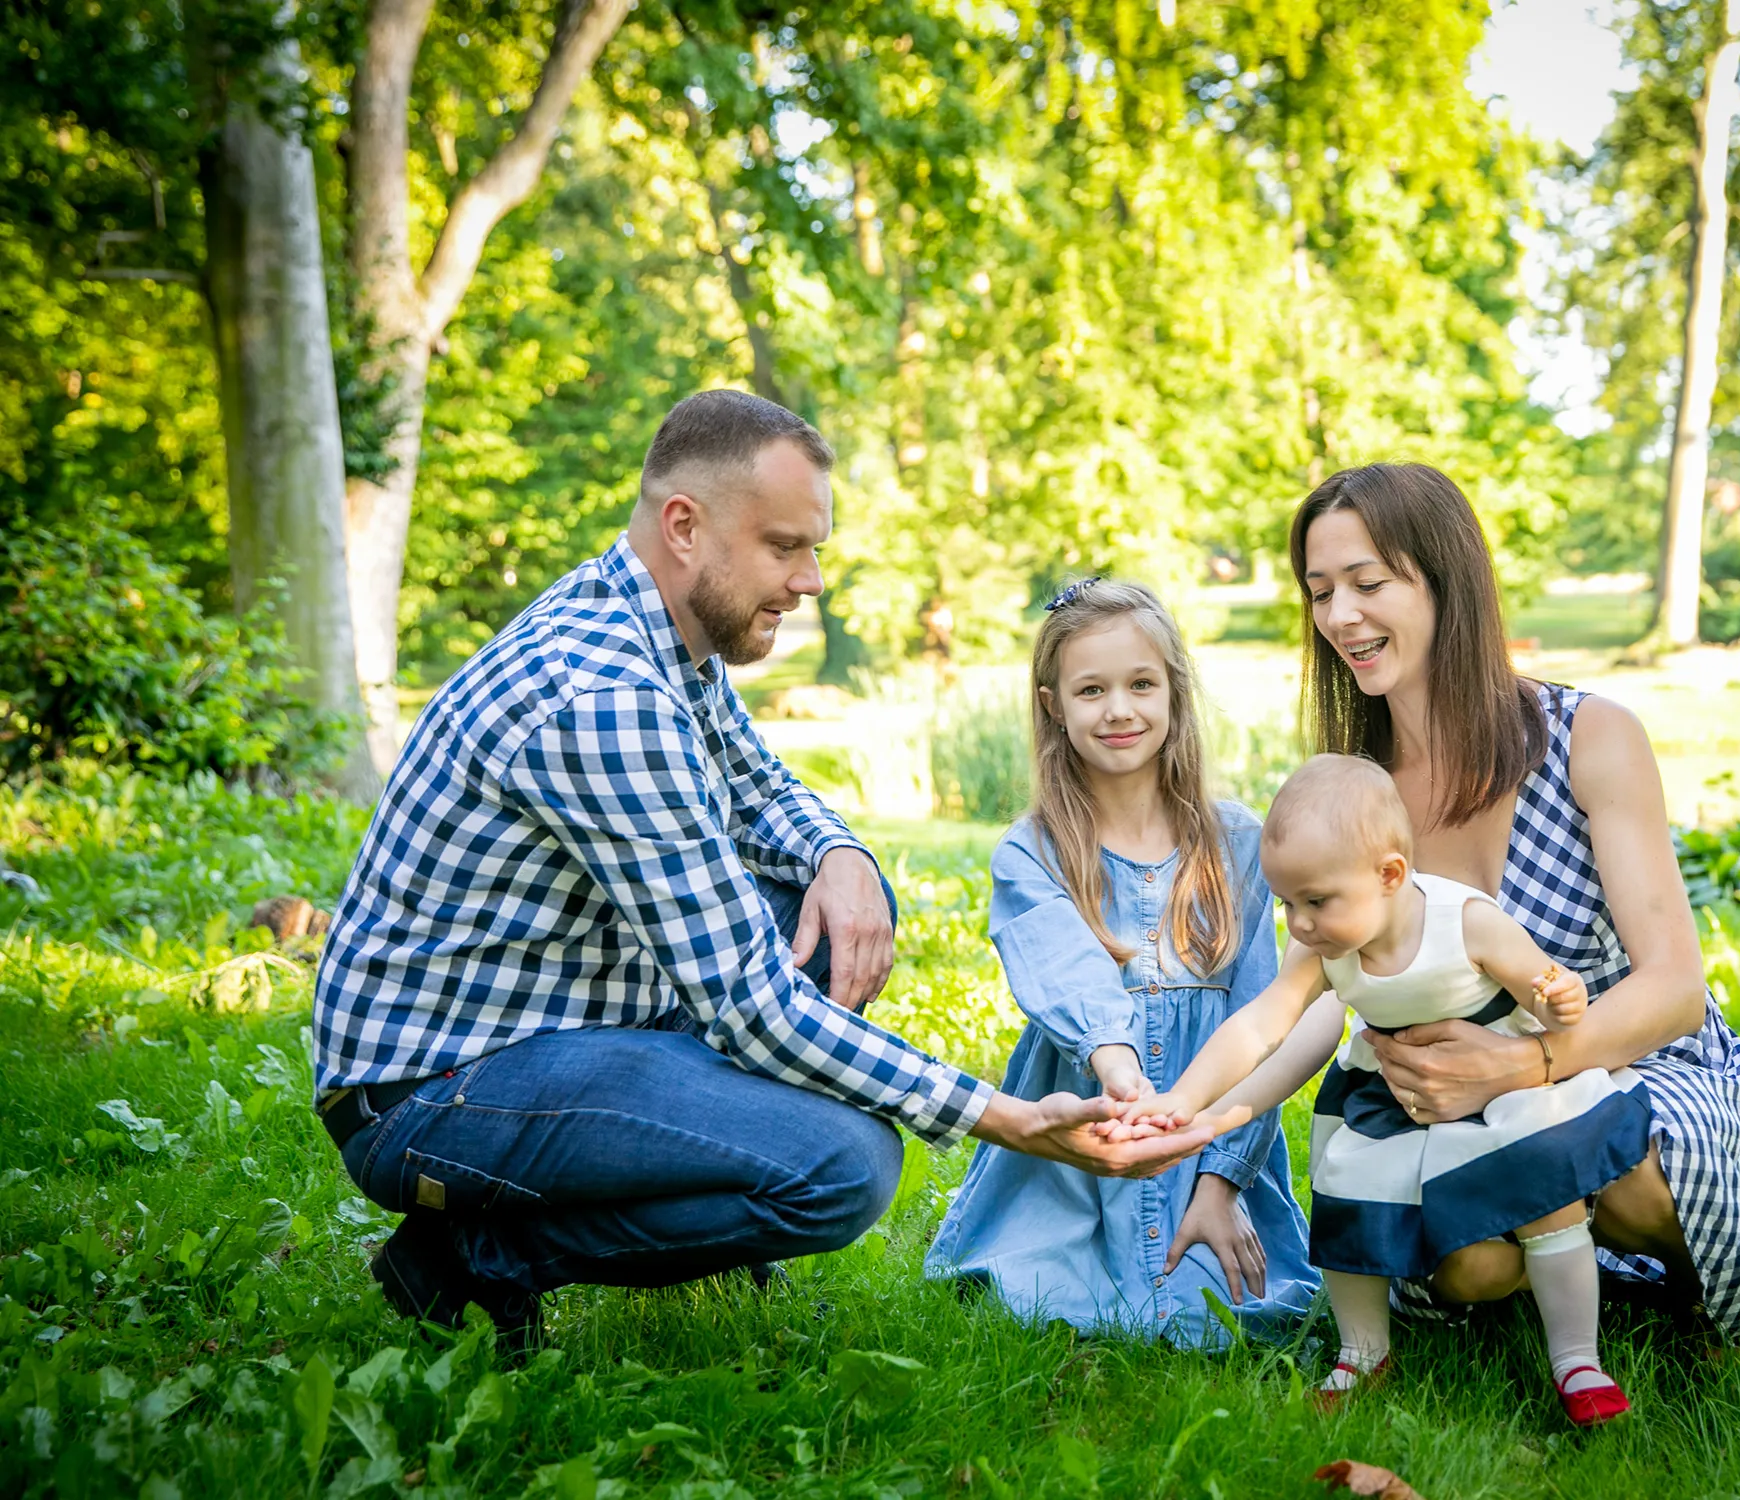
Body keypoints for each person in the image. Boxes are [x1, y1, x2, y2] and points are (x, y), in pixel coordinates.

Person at [310, 391, 1213, 1350]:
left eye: (812, 548)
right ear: (684, 526)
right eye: (785, 547)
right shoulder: (604, 695)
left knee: (835, 905)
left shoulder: (663, 633)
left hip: (559, 1018)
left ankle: (699, 1158)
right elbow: (752, 1008)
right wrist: (1008, 1117)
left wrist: (842, 854)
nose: (810, 580)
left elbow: (762, 791)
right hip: (432, 1090)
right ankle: (470, 1258)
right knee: (843, 1164)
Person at [1239, 462, 1740, 1358]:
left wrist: (1522, 1065)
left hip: (1634, 1052)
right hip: (1453, 1091)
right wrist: (1212, 1124)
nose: (1340, 617)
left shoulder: (1589, 735)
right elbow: (1321, 992)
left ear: (1446, 581)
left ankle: (1696, 1294)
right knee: (1468, 1264)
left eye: (1369, 583)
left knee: (1632, 1174)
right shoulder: (1362, 794)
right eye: (1321, 591)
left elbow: (1676, 989)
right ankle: (1568, 1269)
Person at [1116, 756, 1647, 1424]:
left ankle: (1577, 1359)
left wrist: (1559, 998)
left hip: (1498, 1081)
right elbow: (1259, 1027)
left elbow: (1544, 990)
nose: (1299, 924)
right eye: (1287, 904)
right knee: (1349, 1191)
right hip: (1394, 1090)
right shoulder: (1324, 948)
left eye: (1316, 902)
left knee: (1547, 1197)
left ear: (1390, 875)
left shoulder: (1466, 922)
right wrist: (1186, 1101)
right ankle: (1363, 1352)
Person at [924, 580, 1318, 1345]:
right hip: (1088, 1131)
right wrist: (1118, 1069)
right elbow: (1064, 967)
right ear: (1053, 705)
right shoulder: (1032, 851)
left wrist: (1222, 1178)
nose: (1118, 710)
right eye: (1091, 690)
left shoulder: (1238, 841)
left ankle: (1212, 1205)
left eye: (1141, 684)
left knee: (1222, 1312)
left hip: (1205, 1140)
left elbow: (1263, 1023)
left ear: (1174, 691)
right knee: (1044, 1297)